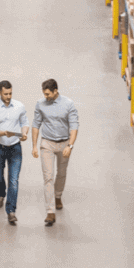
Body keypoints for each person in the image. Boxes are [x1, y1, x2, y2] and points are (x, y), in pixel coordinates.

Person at [32, 78, 79, 227]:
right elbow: (36, 124)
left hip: (64, 143)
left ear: (55, 91)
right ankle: (50, 212)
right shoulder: (40, 104)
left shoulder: (68, 104)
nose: (46, 97)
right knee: (48, 177)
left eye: (48, 94)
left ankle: (58, 195)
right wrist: (34, 146)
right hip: (47, 143)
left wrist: (70, 146)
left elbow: (74, 126)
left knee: (61, 172)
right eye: (44, 94)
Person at [0, 80, 29, 225]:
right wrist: (3, 132)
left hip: (15, 148)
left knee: (14, 180)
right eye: (5, 94)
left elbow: (25, 123)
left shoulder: (19, 106)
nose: (8, 96)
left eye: (10, 93)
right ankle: (1, 193)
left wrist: (24, 133)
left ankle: (11, 211)